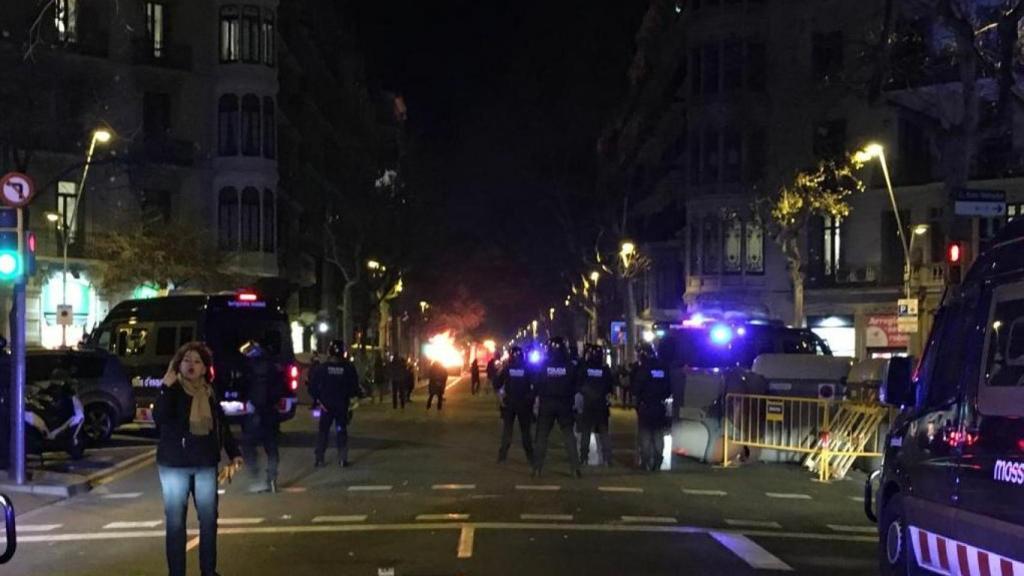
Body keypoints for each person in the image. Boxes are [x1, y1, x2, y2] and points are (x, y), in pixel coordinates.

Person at [155, 342, 243, 576]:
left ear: (205, 368)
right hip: (174, 465)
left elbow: (220, 425)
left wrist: (234, 453)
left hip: (205, 463)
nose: (191, 365)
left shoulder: (209, 391)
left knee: (209, 520)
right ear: (178, 365)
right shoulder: (171, 389)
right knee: (175, 524)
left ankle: (208, 570)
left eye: (197, 361)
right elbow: (159, 418)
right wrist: (165, 388)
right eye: (186, 360)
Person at [532, 337, 581, 478]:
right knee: (568, 436)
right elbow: (576, 384)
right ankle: (575, 468)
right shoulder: (570, 365)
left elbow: (537, 384)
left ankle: (537, 468)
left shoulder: (543, 365)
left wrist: (536, 400)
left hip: (547, 404)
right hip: (565, 404)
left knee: (542, 436)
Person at [308, 339, 362, 467]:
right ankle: (342, 458)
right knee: (341, 430)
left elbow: (313, 387)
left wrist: (317, 400)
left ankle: (319, 458)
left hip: (326, 406)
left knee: (323, 432)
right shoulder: (348, 368)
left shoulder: (322, 368)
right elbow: (354, 387)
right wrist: (352, 400)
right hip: (341, 406)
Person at [239, 340, 281, 493]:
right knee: (271, 447)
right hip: (270, 411)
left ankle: (256, 478)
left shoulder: (249, 369)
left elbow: (243, 386)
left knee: (248, 445)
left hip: (255, 411)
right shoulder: (274, 368)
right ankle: (271, 479)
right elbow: (280, 388)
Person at [576, 344, 616, 467]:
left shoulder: (584, 368)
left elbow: (578, 384)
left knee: (586, 432)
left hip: (588, 404)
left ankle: (583, 457)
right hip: (601, 405)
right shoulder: (605, 370)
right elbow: (610, 387)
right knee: (604, 433)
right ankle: (607, 458)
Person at [632, 344, 671, 471]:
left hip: (646, 405)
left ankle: (646, 461)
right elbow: (668, 388)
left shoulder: (643, 368)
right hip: (659, 405)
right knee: (658, 434)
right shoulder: (663, 367)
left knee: (645, 434)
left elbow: (636, 388)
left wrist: (638, 400)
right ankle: (658, 459)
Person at [495, 346, 535, 464]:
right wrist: (530, 399)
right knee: (525, 432)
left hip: (510, 404)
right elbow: (535, 385)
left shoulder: (507, 368)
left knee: (507, 431)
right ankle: (530, 457)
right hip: (524, 404)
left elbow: (497, 384)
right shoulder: (528, 369)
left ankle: (502, 456)